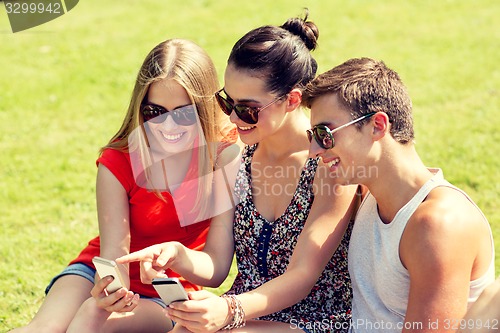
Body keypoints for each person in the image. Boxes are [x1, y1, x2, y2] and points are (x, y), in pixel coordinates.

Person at [118, 13, 359, 333]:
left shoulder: (329, 164)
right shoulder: (235, 162)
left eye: (247, 108)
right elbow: (217, 265)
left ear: (292, 100)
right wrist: (176, 254)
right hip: (243, 311)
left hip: (315, 315)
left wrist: (230, 309)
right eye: (226, 102)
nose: (232, 117)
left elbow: (302, 277)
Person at [10, 38, 238, 333]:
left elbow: (216, 269)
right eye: (154, 112)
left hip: (165, 292)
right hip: (99, 273)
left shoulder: (223, 155)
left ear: (204, 109)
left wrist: (177, 257)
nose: (168, 127)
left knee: (95, 327)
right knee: (44, 329)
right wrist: (107, 292)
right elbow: (114, 253)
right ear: (140, 107)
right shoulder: (118, 160)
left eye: (183, 114)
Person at [303, 57, 495, 332]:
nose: (314, 150)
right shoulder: (366, 192)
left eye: (324, 134)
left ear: (378, 126)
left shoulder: (439, 225)